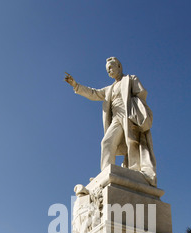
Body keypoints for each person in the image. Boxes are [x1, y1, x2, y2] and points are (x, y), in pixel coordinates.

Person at [65, 57, 157, 186]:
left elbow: (141, 94)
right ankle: (106, 173)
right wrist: (76, 85)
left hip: (129, 115)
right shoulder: (109, 89)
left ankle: (135, 169)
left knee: (132, 141)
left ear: (119, 66)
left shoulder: (131, 79)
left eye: (110, 67)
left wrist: (136, 114)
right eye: (107, 69)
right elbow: (94, 93)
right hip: (116, 118)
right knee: (107, 141)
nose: (109, 70)